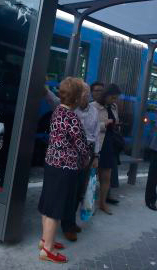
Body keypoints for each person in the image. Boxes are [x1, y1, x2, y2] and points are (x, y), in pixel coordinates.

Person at [38, 77, 90, 264]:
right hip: (65, 167)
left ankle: (45, 239)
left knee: (47, 203)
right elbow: (82, 146)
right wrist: (86, 160)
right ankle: (47, 250)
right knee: (55, 209)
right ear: (76, 99)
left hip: (51, 163)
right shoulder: (72, 118)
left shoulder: (57, 111)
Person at [60, 82, 101, 241]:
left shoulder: (94, 111)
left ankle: (71, 221)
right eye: (83, 92)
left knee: (79, 191)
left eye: (87, 92)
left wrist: (96, 156)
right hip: (73, 152)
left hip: (88, 152)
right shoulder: (71, 110)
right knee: (70, 189)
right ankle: (66, 224)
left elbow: (97, 134)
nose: (86, 95)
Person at [91, 83, 121, 214]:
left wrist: (115, 124)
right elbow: (90, 127)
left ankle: (102, 203)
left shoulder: (114, 107)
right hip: (97, 144)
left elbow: (116, 120)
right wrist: (104, 124)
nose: (114, 100)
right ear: (106, 95)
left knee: (106, 176)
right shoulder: (93, 107)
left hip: (109, 144)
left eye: (116, 98)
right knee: (91, 176)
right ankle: (86, 202)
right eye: (113, 97)